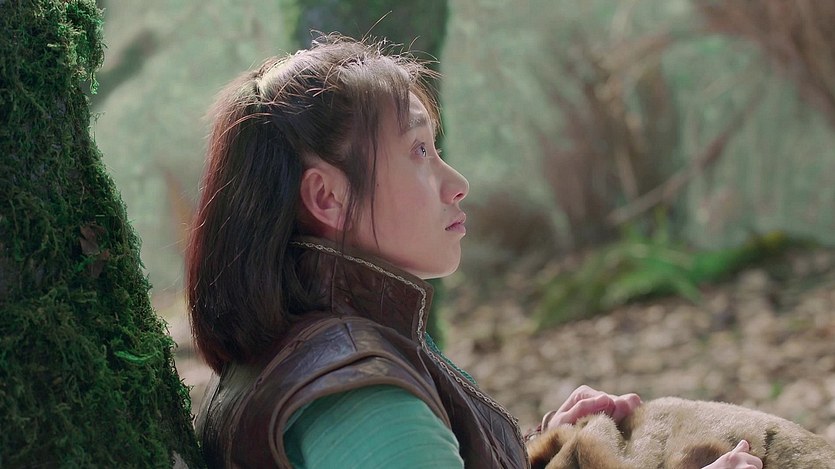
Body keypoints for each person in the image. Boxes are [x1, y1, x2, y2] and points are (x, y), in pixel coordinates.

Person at [186, 34, 762, 469]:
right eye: (418, 150)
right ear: (328, 198)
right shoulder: (362, 397)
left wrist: (520, 453)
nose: (456, 183)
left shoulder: (315, 355)